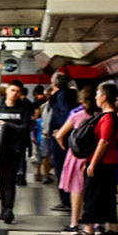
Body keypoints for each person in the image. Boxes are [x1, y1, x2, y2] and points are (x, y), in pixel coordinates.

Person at [0, 81, 33, 223]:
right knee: (2, 178)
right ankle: (4, 207)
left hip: (15, 149)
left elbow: (25, 128)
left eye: (17, 91)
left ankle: (8, 209)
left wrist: (7, 125)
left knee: (10, 179)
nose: (14, 93)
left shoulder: (23, 109)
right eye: (12, 90)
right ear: (7, 90)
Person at [80, 81, 118, 235]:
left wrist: (92, 163)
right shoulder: (110, 116)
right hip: (108, 162)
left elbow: (104, 141)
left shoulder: (107, 118)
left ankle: (88, 228)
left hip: (102, 162)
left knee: (92, 193)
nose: (96, 98)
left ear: (104, 97)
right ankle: (113, 227)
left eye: (98, 95)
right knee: (106, 195)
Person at [55, 85, 96, 233]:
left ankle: (74, 223)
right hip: (95, 157)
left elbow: (59, 135)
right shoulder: (100, 116)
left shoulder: (76, 116)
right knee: (93, 191)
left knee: (76, 190)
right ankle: (94, 223)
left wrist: (67, 147)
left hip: (76, 156)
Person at [44, 71, 79, 202]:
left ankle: (65, 199)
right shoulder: (71, 93)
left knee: (61, 167)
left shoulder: (61, 96)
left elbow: (64, 113)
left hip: (61, 138)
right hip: (68, 136)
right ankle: (68, 198)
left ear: (54, 83)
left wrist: (60, 131)